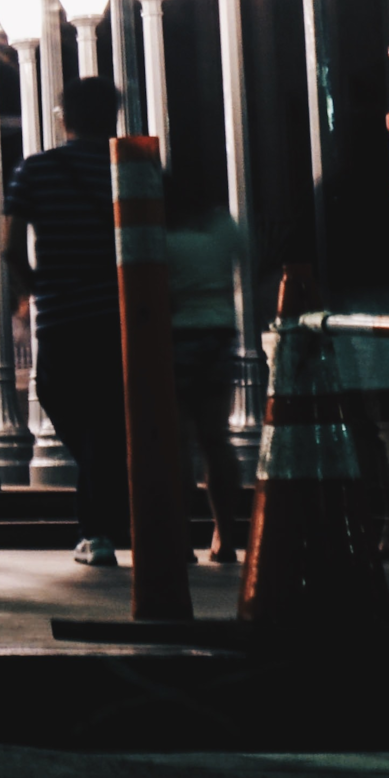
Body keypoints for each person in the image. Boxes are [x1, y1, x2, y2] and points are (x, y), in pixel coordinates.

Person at [5, 76, 130, 567]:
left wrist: (38, 289)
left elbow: (10, 246)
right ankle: (108, 519)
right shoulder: (136, 166)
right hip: (123, 315)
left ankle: (97, 529)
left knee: (65, 404)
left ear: (64, 116)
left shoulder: (36, 171)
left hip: (62, 318)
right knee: (110, 419)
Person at [161, 164, 252, 566]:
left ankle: (179, 536)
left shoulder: (160, 231)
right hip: (217, 332)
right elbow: (251, 257)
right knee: (215, 439)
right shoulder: (221, 225)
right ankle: (225, 535)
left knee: (177, 441)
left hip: (173, 335)